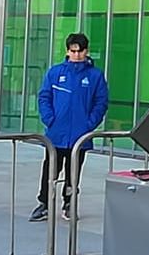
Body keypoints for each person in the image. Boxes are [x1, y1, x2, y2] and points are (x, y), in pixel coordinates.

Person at [32, 32, 110, 222]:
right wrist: (50, 119)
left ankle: (69, 203)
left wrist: (89, 124)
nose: (76, 55)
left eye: (80, 51)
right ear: (67, 51)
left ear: (86, 51)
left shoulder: (95, 76)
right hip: (56, 133)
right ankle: (44, 203)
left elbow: (101, 102)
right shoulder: (55, 72)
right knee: (50, 170)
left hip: (80, 135)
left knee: (73, 173)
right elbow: (44, 97)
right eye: (73, 51)